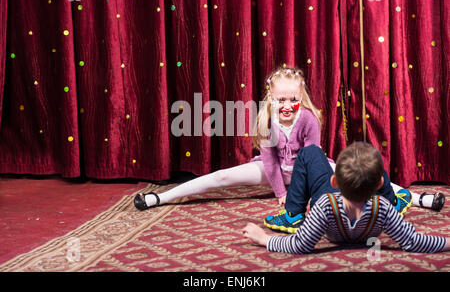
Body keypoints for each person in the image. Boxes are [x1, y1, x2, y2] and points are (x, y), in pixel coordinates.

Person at [133, 67, 443, 213]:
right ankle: (161, 198)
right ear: (272, 96)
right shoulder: (268, 118)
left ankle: (418, 199)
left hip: (310, 169)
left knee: (358, 176)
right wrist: (280, 191)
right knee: (222, 176)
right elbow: (268, 160)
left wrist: (302, 191)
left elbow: (311, 156)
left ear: (301, 97)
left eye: (293, 99)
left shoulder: (307, 118)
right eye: (281, 99)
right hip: (272, 172)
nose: (287, 106)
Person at [243, 142, 449, 254]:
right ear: (378, 185)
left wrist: (265, 239)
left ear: (335, 181)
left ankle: (293, 214)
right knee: (372, 161)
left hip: (330, 207)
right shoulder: (383, 207)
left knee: (311, 152)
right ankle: (397, 200)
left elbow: (299, 245)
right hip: (379, 211)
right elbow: (414, 242)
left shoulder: (323, 206)